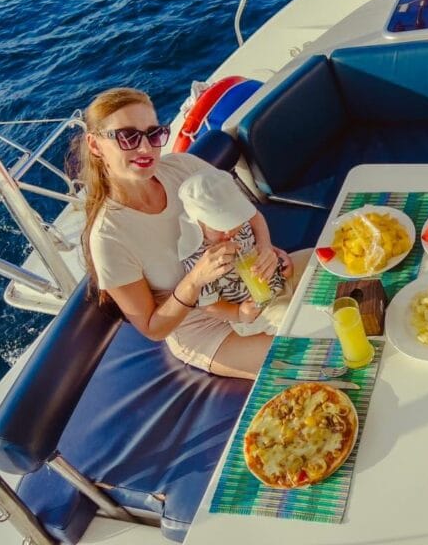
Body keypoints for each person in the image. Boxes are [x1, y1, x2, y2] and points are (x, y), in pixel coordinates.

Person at [74, 87, 306, 379]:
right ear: (95, 145)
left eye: (153, 134)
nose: (145, 148)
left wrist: (267, 249)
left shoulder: (183, 167)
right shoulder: (109, 238)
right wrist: (195, 280)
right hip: (204, 327)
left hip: (255, 284)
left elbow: (248, 216)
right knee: (311, 355)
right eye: (128, 137)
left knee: (341, 269)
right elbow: (153, 328)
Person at [176, 168, 291, 337]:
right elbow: (207, 305)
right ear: (197, 223)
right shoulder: (198, 259)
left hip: (278, 282)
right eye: (219, 226)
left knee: (316, 261)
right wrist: (237, 313)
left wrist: (265, 245)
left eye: (233, 221)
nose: (229, 231)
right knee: (289, 318)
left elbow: (256, 217)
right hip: (257, 310)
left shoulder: (236, 223)